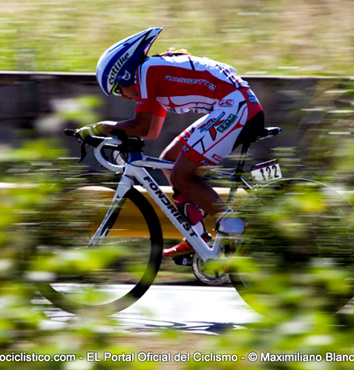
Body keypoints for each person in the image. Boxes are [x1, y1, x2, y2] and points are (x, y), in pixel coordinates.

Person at [75, 27, 265, 257]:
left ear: (125, 74)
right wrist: (114, 132)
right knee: (170, 160)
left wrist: (102, 127)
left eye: (118, 89)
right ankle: (196, 237)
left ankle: (235, 228)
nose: (123, 96)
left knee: (181, 176)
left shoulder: (146, 72)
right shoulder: (153, 74)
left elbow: (142, 127)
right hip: (234, 105)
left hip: (237, 107)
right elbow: (151, 131)